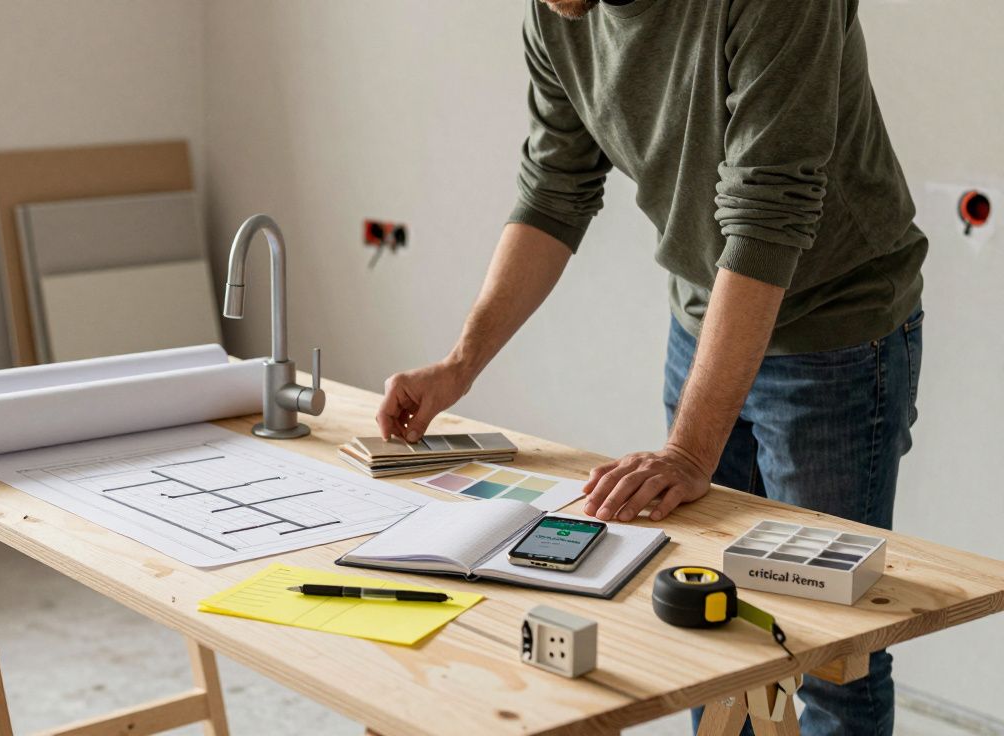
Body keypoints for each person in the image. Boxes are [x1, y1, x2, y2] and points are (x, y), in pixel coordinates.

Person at [375, 1, 925, 734]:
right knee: (705, 618)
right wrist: (459, 364)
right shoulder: (559, 10)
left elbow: (768, 209)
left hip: (835, 331)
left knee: (833, 649)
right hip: (704, 322)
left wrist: (689, 451)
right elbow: (554, 190)